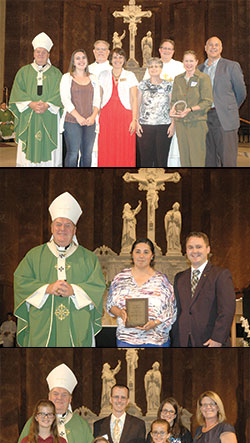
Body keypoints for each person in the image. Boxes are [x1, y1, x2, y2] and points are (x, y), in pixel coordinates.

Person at [14, 191, 105, 347]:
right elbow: (20, 281)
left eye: (68, 225)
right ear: (51, 227)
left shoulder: (88, 258)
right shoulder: (34, 255)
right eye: (58, 224)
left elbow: (98, 287)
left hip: (77, 325)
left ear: (75, 230)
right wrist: (47, 288)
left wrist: (74, 290)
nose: (63, 228)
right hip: (42, 324)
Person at [107, 238, 176, 347]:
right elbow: (110, 305)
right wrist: (120, 313)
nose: (141, 256)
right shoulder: (120, 278)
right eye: (137, 251)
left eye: (146, 252)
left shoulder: (162, 280)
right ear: (132, 254)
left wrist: (155, 323)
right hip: (126, 340)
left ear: (152, 256)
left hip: (156, 341)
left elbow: (171, 310)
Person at [172, 231, 236, 347]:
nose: (194, 251)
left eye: (199, 247)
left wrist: (218, 339)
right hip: (183, 341)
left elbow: (227, 310)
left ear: (208, 249)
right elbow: (178, 311)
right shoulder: (179, 277)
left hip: (210, 341)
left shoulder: (220, 275)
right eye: (190, 247)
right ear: (186, 251)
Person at [9, 32, 62, 167]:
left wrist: (48, 105)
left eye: (44, 52)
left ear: (49, 55)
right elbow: (17, 91)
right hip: (28, 114)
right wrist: (30, 103)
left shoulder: (56, 73)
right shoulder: (23, 72)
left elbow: (61, 93)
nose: (40, 54)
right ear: (33, 53)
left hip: (49, 114)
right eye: (38, 52)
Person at [198, 36, 247, 167]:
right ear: (205, 48)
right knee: (208, 160)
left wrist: (229, 108)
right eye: (210, 45)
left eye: (216, 45)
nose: (213, 47)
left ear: (221, 48)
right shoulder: (199, 69)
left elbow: (241, 92)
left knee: (228, 160)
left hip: (224, 119)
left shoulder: (231, 66)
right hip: (204, 119)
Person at [143, 39, 185, 167]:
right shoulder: (153, 66)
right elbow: (145, 89)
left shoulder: (179, 66)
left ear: (173, 51)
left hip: (174, 111)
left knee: (174, 147)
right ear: (160, 50)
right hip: (155, 116)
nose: (166, 51)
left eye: (169, 49)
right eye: (164, 48)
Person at [170, 50, 213, 166]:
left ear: (196, 62)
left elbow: (207, 101)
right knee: (184, 159)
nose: (188, 64)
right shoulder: (178, 79)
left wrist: (190, 109)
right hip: (181, 123)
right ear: (182, 62)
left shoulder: (203, 78)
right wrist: (173, 110)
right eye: (186, 61)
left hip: (197, 123)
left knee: (196, 159)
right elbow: (174, 100)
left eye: (191, 61)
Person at [98, 48, 138, 167]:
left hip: (125, 116)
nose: (117, 60)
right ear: (111, 59)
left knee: (125, 146)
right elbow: (99, 98)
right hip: (106, 116)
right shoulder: (103, 75)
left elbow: (134, 99)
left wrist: (134, 119)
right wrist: (97, 117)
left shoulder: (130, 75)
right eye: (115, 57)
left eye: (120, 57)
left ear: (124, 59)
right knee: (107, 146)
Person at [60, 49, 100, 167]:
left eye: (83, 58)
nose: (81, 61)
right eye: (77, 58)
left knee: (87, 154)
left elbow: (97, 99)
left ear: (87, 60)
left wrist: (93, 117)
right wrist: (78, 117)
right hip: (72, 121)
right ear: (73, 62)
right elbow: (65, 99)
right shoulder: (67, 77)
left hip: (90, 121)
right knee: (73, 153)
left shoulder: (93, 78)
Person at [137, 57, 174, 167]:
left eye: (156, 66)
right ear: (148, 69)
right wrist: (136, 122)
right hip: (145, 126)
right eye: (151, 66)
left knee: (161, 159)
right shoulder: (142, 85)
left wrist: (173, 124)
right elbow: (137, 105)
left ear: (161, 68)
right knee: (145, 160)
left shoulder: (169, 85)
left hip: (164, 126)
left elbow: (172, 105)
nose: (154, 69)